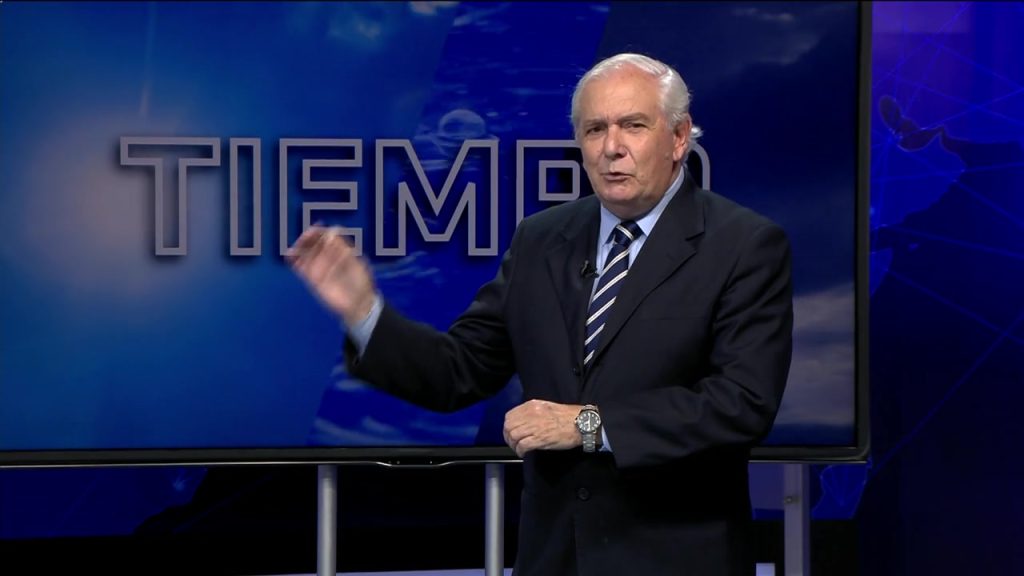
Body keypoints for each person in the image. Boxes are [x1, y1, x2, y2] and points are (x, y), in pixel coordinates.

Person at [289, 53, 793, 576]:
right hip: (554, 558)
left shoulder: (743, 245)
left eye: (633, 126)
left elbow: (741, 403)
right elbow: (457, 370)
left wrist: (588, 424)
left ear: (679, 136)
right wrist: (365, 312)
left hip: (677, 559)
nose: (611, 147)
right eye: (594, 129)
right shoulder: (542, 239)